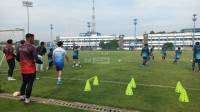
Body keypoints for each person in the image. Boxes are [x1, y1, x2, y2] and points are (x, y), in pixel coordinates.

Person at [16, 33, 42, 104]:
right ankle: (27, 99)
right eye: (33, 38)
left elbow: (17, 58)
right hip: (30, 68)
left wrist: (23, 62)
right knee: (30, 84)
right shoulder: (32, 47)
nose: (33, 40)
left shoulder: (20, 47)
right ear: (29, 38)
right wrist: (41, 62)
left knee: (24, 82)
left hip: (23, 68)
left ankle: (22, 96)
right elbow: (36, 59)